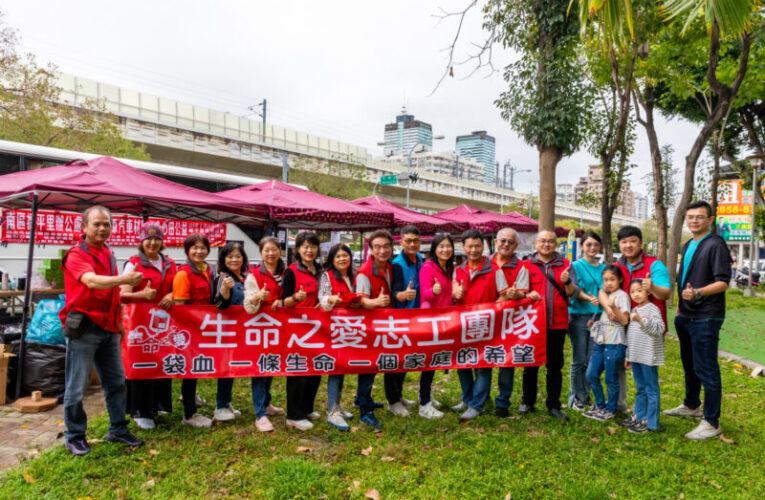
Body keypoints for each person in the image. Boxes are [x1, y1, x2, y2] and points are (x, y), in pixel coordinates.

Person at [60, 205, 144, 456]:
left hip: (108, 328)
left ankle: (117, 428)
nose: (102, 228)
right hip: (84, 329)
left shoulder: (108, 253)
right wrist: (126, 280)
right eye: (96, 223)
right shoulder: (75, 254)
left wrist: (119, 323)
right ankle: (74, 436)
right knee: (77, 387)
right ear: (84, 227)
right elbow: (92, 281)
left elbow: (111, 292)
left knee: (117, 381)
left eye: (106, 224)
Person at [666, 200, 732, 440]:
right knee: (690, 365)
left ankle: (712, 422)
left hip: (706, 316)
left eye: (699, 217)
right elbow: (683, 278)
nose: (694, 220)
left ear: (709, 220)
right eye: (690, 216)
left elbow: (723, 282)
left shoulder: (715, 244)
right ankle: (691, 405)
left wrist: (698, 293)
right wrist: (679, 310)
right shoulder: (688, 243)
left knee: (707, 369)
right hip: (685, 315)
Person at [120, 223, 177, 430]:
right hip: (139, 325)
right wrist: (142, 295)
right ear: (141, 241)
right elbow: (121, 295)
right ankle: (140, 411)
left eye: (157, 239)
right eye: (148, 239)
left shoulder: (170, 263)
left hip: (164, 325)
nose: (153, 243)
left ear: (162, 241)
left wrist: (171, 295)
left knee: (161, 362)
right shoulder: (133, 264)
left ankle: (159, 405)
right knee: (141, 366)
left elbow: (176, 288)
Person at [452, 229, 512, 422]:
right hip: (462, 325)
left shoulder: (495, 270)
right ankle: (467, 398)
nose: (474, 250)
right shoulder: (458, 269)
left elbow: (503, 294)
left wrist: (493, 309)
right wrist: (455, 293)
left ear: (484, 247)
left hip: (485, 326)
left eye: (478, 246)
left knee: (482, 366)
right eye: (470, 246)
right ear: (463, 247)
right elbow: (453, 293)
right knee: (463, 363)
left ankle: (477, 405)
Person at [610, 225, 671, 413]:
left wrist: (652, 287)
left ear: (640, 243)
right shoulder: (617, 267)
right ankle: (627, 408)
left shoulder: (654, 265)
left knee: (647, 375)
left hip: (647, 328)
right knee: (625, 367)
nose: (628, 245)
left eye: (632, 241)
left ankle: (647, 416)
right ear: (619, 244)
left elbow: (666, 294)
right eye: (624, 242)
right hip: (622, 325)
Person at [520, 230, 571, 421]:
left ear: (556, 244)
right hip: (532, 324)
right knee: (530, 365)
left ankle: (554, 405)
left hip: (557, 323)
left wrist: (567, 283)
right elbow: (520, 292)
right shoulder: (526, 265)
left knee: (555, 366)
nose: (546, 244)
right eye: (543, 241)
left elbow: (572, 292)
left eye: (551, 241)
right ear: (536, 244)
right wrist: (527, 296)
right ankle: (527, 402)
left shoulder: (566, 265)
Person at [244, 236, 286, 432]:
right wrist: (257, 297)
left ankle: (267, 403)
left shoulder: (286, 273)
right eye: (266, 250)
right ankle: (260, 413)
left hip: (281, 328)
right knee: (260, 369)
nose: (271, 253)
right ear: (261, 252)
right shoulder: (254, 276)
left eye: (274, 249)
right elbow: (249, 307)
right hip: (261, 329)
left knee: (272, 365)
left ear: (280, 251)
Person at [173, 233, 216, 428]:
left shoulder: (207, 270)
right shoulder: (183, 274)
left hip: (204, 329)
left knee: (195, 367)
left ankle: (189, 397)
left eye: (202, 248)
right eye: (194, 248)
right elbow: (180, 306)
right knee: (189, 369)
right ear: (187, 251)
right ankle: (189, 415)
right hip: (190, 330)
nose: (199, 252)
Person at [355, 229, 395, 429]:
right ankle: (365, 411)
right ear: (370, 249)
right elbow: (361, 301)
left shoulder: (389, 267)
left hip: (383, 325)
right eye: (377, 247)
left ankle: (362, 398)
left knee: (374, 365)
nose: (382, 250)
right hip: (369, 326)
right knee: (368, 367)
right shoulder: (364, 272)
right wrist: (376, 302)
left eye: (386, 246)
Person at [282, 231, 322, 431]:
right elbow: (283, 302)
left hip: (318, 329)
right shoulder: (291, 272)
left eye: (313, 246)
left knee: (316, 369)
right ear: (297, 249)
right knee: (298, 371)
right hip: (297, 331)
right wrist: (295, 298)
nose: (309, 250)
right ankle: (294, 415)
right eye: (305, 246)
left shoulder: (320, 270)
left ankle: (307, 408)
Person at [318, 243, 361, 431]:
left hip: (348, 328)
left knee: (342, 367)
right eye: (338, 256)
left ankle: (338, 405)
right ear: (332, 260)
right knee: (335, 369)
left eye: (345, 255)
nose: (342, 259)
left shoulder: (352, 276)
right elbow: (323, 299)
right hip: (333, 329)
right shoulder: (327, 276)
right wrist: (331, 299)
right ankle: (332, 412)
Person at [489, 228, 530, 418]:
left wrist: (517, 294)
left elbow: (523, 293)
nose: (506, 244)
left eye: (510, 242)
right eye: (503, 241)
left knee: (506, 362)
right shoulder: (483, 263)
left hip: (508, 323)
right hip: (484, 322)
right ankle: (479, 398)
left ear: (516, 245)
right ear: (496, 241)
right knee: (481, 361)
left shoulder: (521, 267)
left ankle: (502, 403)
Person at [418, 233, 458, 419]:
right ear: (434, 248)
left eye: (448, 246)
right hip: (431, 321)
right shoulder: (428, 266)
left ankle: (426, 396)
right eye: (441, 246)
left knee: (434, 360)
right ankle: (424, 404)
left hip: (445, 319)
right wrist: (433, 292)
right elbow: (425, 295)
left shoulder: (448, 268)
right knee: (429, 362)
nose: (445, 249)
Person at [582, 265, 630, 422]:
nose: (609, 283)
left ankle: (610, 409)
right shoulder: (607, 295)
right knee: (591, 374)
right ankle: (600, 404)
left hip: (614, 343)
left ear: (620, 280)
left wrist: (612, 308)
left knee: (611, 378)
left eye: (612, 279)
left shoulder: (622, 296)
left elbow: (624, 320)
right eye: (606, 280)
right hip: (600, 341)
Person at [211, 242, 250, 424]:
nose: (234, 260)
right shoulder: (222, 277)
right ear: (223, 260)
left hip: (241, 330)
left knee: (232, 366)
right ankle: (220, 406)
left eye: (237, 256)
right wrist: (226, 289)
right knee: (226, 366)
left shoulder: (243, 277)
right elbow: (219, 304)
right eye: (230, 256)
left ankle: (226, 402)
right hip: (226, 330)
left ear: (243, 258)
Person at [566, 231, 604, 411]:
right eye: (588, 244)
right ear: (581, 246)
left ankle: (585, 395)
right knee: (578, 359)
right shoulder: (575, 266)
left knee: (591, 360)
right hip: (579, 317)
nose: (592, 248)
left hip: (599, 318)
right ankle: (575, 398)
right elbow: (573, 290)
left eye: (596, 245)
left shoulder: (604, 268)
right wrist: (590, 299)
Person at [387, 225, 423, 417]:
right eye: (408, 240)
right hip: (399, 319)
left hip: (415, 319)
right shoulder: (397, 264)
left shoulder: (420, 260)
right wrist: (402, 295)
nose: (411, 244)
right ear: (401, 242)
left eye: (415, 241)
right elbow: (394, 292)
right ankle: (392, 401)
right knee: (393, 360)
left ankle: (399, 394)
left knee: (405, 359)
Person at [623, 279, 665, 434]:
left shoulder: (652, 309)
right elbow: (631, 336)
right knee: (640, 388)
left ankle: (651, 422)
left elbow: (659, 328)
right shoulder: (634, 309)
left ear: (648, 292)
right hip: (636, 356)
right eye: (633, 291)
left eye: (639, 290)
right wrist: (628, 355)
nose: (636, 294)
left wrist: (641, 320)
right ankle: (639, 416)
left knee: (651, 389)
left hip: (648, 357)